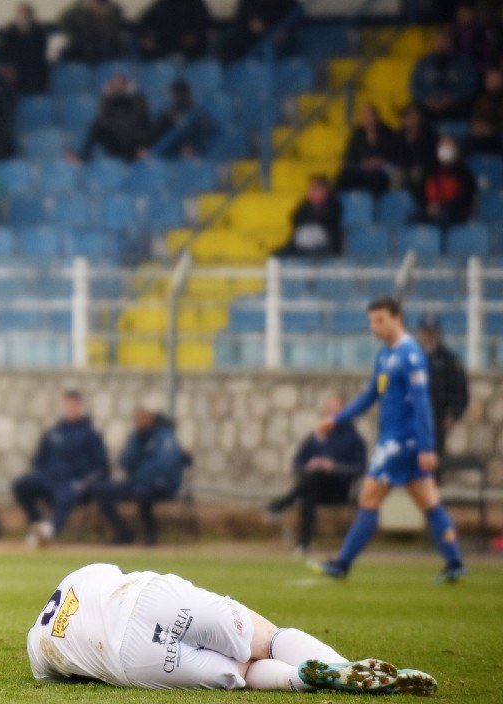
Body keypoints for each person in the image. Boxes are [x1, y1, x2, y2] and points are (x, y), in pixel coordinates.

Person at [28, 563, 437, 695]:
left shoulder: (37, 647)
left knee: (240, 673)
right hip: (148, 596)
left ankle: (304, 679)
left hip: (129, 657)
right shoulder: (84, 573)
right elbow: (118, 572)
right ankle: (348, 667)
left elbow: (62, 674)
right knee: (266, 638)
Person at [316, 298, 466, 583]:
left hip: (401, 443)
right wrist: (336, 419)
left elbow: (423, 405)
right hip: (398, 441)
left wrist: (426, 447)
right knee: (429, 500)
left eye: (380, 320)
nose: (374, 326)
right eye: (372, 321)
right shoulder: (386, 355)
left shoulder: (410, 355)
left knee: (368, 498)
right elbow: (370, 395)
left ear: (398, 318)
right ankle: (455, 562)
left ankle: (342, 563)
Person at [265, 395, 367, 553]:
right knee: (311, 482)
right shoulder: (315, 437)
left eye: (337, 408)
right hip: (314, 486)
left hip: (339, 488)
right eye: (329, 408)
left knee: (312, 480)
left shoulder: (352, 437)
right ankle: (303, 545)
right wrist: (310, 465)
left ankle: (282, 504)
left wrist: (334, 467)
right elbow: (297, 463)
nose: (332, 411)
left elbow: (360, 467)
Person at [12, 391, 110, 546]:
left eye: (73, 405)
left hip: (74, 483)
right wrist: (41, 473)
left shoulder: (91, 435)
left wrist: (84, 483)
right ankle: (37, 525)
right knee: (21, 485)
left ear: (80, 407)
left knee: (66, 494)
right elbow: (39, 460)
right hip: (49, 480)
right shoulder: (53, 432)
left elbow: (101, 467)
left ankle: (49, 531)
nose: (70, 409)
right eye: (67, 405)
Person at [95, 405, 183, 546]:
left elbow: (165, 464)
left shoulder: (165, 435)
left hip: (161, 485)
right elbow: (125, 461)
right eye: (137, 419)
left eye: (142, 418)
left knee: (144, 493)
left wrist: (142, 474)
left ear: (151, 419)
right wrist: (136, 441)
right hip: (137, 482)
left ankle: (150, 535)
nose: (139, 422)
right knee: (101, 490)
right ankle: (122, 532)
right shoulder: (137, 436)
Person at [415, 317, 469, 458]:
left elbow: (460, 392)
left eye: (432, 332)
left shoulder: (449, 360)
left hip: (437, 420)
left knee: (433, 461)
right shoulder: (412, 357)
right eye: (425, 332)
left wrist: (453, 415)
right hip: (413, 419)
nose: (428, 336)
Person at [79, 73, 153, 161]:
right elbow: (104, 119)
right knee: (96, 125)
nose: (117, 86)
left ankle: (142, 151)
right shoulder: (109, 100)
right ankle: (82, 158)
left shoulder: (137, 99)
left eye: (120, 83)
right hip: (116, 140)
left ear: (126, 85)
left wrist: (142, 145)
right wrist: (106, 97)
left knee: (145, 127)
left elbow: (141, 120)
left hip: (133, 142)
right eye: (114, 83)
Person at [411, 29, 478, 122]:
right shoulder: (423, 63)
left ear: (451, 43)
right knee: (414, 113)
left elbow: (469, 86)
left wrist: (453, 98)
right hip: (428, 106)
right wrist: (426, 99)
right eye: (439, 41)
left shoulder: (463, 63)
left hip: (456, 106)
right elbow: (415, 86)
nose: (441, 44)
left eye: (445, 41)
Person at [335, 104, 401, 197]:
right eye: (364, 116)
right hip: (363, 170)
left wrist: (380, 162)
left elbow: (396, 155)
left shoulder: (388, 133)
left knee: (382, 178)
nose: (367, 119)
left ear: (377, 117)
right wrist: (363, 164)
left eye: (370, 115)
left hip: (383, 169)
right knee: (342, 177)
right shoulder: (357, 134)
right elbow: (349, 158)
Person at [224, 0, 300, 62]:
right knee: (228, 40)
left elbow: (297, 14)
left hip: (278, 36)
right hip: (253, 38)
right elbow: (239, 23)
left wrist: (284, 30)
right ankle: (234, 69)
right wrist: (250, 26)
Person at [417, 135, 476, 231]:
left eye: (449, 146)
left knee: (443, 218)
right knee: (414, 217)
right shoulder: (430, 171)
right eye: (443, 146)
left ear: (456, 149)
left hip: (454, 212)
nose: (445, 149)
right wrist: (428, 206)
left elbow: (465, 199)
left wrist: (441, 207)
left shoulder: (464, 174)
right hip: (430, 210)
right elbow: (420, 192)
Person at [138, 0, 212, 60]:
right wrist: (146, 38)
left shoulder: (194, 0)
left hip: (187, 47)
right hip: (164, 44)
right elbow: (147, 20)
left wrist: (193, 37)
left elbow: (203, 24)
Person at [277, 176, 343, 257]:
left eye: (316, 188)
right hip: (301, 244)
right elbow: (295, 219)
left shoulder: (333, 204)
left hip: (325, 244)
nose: (312, 191)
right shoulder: (305, 205)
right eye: (311, 189)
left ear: (325, 190)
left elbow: (326, 220)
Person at [58, 0, 126, 63]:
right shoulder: (81, 6)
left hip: (105, 42)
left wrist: (102, 16)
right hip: (82, 40)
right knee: (65, 53)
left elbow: (114, 30)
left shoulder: (114, 9)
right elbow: (65, 19)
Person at [0, 2, 50, 94]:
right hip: (13, 71)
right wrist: (9, 68)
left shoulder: (39, 33)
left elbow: (39, 55)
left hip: (33, 72)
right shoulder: (9, 32)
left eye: (25, 14)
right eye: (20, 14)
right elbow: (3, 53)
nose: (23, 17)